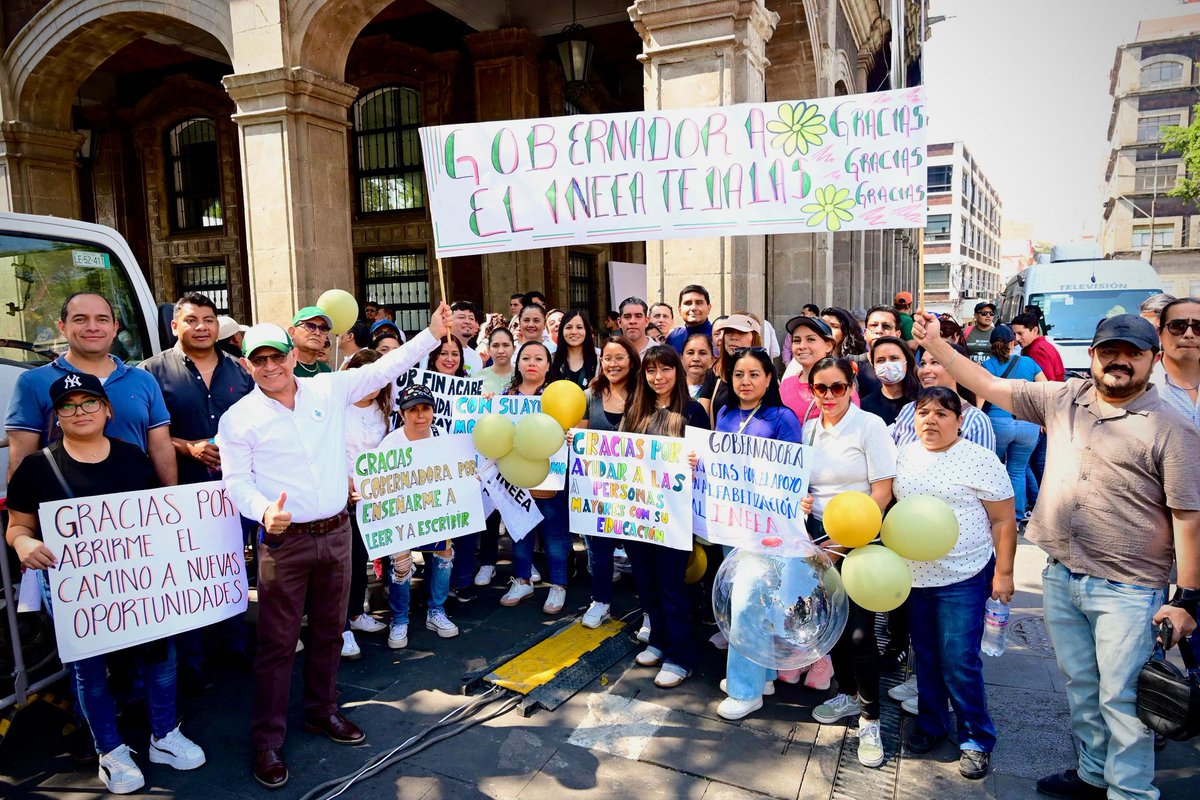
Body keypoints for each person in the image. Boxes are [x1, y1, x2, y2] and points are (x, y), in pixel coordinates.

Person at [912, 311, 1200, 800]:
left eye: (1133, 353)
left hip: (1129, 586)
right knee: (1083, 690)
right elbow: (982, 381)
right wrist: (937, 346)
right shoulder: (1063, 398)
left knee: (1123, 700)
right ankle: (1092, 775)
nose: (1120, 361)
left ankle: (1129, 792)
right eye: (1110, 351)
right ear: (1091, 356)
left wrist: (1187, 597)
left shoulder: (1172, 426)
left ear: (1153, 360)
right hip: (1062, 575)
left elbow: (1188, 517)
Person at [217, 304, 450, 789]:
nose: (269, 367)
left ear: (288, 353)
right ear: (247, 365)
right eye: (258, 360)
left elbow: (385, 367)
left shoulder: (327, 387)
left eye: (275, 357)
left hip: (338, 532)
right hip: (286, 543)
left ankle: (323, 712)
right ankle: (267, 740)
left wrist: (431, 334)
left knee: (329, 631)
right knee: (278, 644)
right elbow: (236, 483)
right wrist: (264, 511)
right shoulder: (238, 420)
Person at [6, 373, 206, 794]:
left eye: (90, 402)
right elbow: (17, 525)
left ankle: (164, 734)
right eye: (68, 405)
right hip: (78, 594)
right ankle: (110, 749)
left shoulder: (133, 457)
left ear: (108, 410)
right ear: (56, 416)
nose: (80, 412)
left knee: (160, 656)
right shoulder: (37, 467)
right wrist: (24, 543)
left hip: (138, 587)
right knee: (90, 671)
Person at [895, 387, 1017, 781]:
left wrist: (1005, 574)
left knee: (960, 660)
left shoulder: (979, 460)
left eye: (942, 414)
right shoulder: (903, 456)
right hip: (913, 576)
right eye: (923, 412)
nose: (931, 420)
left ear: (959, 420)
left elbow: (1003, 521)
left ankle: (976, 739)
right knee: (926, 656)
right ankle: (932, 725)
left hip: (963, 576)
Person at [140, 293, 255, 689]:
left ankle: (235, 642)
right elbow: (145, 431)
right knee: (186, 572)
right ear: (176, 326)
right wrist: (188, 447)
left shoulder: (240, 372)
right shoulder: (149, 373)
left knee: (230, 563)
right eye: (192, 320)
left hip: (232, 489)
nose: (202, 327)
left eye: (209, 319)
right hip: (180, 490)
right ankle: (192, 659)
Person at [803, 356, 896, 769]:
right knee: (831, 625)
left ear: (851, 386)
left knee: (859, 634)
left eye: (836, 387)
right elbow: (802, 484)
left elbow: (882, 491)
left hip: (857, 540)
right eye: (820, 388)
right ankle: (845, 692)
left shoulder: (869, 426)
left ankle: (870, 718)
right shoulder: (808, 430)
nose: (828, 396)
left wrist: (842, 540)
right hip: (816, 538)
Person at [711, 348, 805, 721]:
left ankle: (744, 690)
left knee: (750, 601)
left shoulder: (783, 417)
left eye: (754, 374)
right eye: (738, 375)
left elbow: (791, 471)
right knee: (740, 598)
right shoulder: (724, 414)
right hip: (730, 522)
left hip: (767, 528)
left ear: (769, 379)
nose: (745, 382)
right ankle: (762, 672)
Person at [6, 292, 176, 486]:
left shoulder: (144, 380)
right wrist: (22, 514)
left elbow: (161, 448)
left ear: (115, 328)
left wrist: (168, 501)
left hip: (134, 506)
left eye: (102, 319)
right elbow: (20, 459)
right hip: (64, 509)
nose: (92, 327)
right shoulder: (33, 382)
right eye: (80, 319)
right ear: (62, 327)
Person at [621, 345, 709, 688]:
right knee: (645, 581)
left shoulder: (693, 412)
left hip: (674, 517)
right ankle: (658, 639)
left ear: (678, 371)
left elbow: (706, 462)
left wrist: (695, 462)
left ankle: (681, 656)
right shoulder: (636, 409)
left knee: (671, 585)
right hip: (638, 513)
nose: (659, 378)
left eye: (666, 370)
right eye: (651, 371)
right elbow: (616, 456)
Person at [375, 383, 461, 647]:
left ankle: (436, 610)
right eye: (413, 410)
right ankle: (400, 618)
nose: (420, 415)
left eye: (425, 409)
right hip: (401, 514)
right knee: (401, 563)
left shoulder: (441, 434)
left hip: (434, 510)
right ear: (402, 414)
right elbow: (379, 482)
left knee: (445, 553)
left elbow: (454, 469)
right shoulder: (391, 443)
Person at [498, 342, 570, 613]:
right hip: (516, 476)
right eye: (526, 357)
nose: (532, 362)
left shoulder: (556, 396)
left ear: (548, 365)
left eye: (539, 358)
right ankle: (522, 579)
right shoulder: (507, 395)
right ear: (517, 363)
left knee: (554, 533)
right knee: (520, 530)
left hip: (549, 476)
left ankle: (558, 585)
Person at [576, 336, 642, 628]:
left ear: (631, 361)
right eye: (607, 359)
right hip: (599, 491)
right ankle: (600, 601)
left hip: (637, 491)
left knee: (640, 553)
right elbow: (580, 434)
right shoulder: (591, 394)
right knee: (598, 550)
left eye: (620, 358)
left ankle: (650, 611)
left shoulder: (644, 394)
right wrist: (572, 438)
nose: (613, 364)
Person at [339, 349, 392, 659]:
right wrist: (343, 482)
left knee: (359, 557)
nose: (372, 383)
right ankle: (340, 626)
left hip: (372, 498)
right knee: (341, 565)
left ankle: (356, 614)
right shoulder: (338, 408)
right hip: (341, 496)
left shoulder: (384, 409)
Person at [980, 325, 1044, 522]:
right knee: (1017, 471)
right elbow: (1044, 388)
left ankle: (995, 516)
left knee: (994, 469)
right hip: (1028, 423)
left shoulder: (987, 366)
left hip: (998, 423)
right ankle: (1015, 518)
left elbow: (981, 399)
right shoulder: (1029, 362)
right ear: (1012, 343)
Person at [894, 346, 995, 450]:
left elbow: (983, 464)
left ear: (957, 370)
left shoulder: (976, 420)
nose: (925, 370)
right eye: (923, 364)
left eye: (935, 362)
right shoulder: (908, 410)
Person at [780, 315, 854, 424]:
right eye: (797, 340)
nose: (802, 346)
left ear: (828, 345)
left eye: (810, 339)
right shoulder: (786, 384)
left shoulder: (841, 385)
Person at [698, 314, 763, 424]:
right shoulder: (714, 372)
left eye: (742, 332)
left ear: (754, 337)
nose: (734, 337)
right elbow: (702, 419)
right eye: (729, 331)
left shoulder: (767, 374)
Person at [1152, 296, 1200, 427]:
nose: (1189, 334)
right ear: (1159, 333)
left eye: (1199, 327)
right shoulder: (1143, 384)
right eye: (1177, 326)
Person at [860, 335, 920, 427]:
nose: (887, 365)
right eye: (880, 360)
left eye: (894, 358)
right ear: (873, 366)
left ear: (907, 361)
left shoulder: (923, 399)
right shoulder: (863, 406)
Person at [550, 310, 599, 389]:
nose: (574, 332)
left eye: (579, 327)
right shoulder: (551, 360)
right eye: (568, 327)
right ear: (562, 331)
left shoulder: (598, 362)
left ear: (586, 331)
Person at [666, 284, 713, 353]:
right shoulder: (674, 338)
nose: (693, 308)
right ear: (679, 310)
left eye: (699, 303)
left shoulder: (718, 336)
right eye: (688, 303)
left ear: (709, 308)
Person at [289, 306, 334, 377]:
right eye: (310, 326)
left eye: (323, 328)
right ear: (292, 332)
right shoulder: (281, 368)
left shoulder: (327, 372)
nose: (317, 333)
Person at [447, 301, 485, 375]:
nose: (467, 322)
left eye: (471, 318)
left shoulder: (476, 357)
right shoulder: (436, 350)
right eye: (461, 317)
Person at [478, 326, 516, 395]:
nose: (501, 351)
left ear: (514, 349)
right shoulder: (477, 378)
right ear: (488, 350)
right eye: (495, 346)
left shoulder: (523, 377)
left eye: (506, 345)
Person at [682, 333, 715, 398]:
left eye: (702, 353)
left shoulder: (718, 391)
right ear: (681, 358)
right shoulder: (671, 388)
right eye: (690, 353)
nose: (696, 358)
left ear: (712, 359)